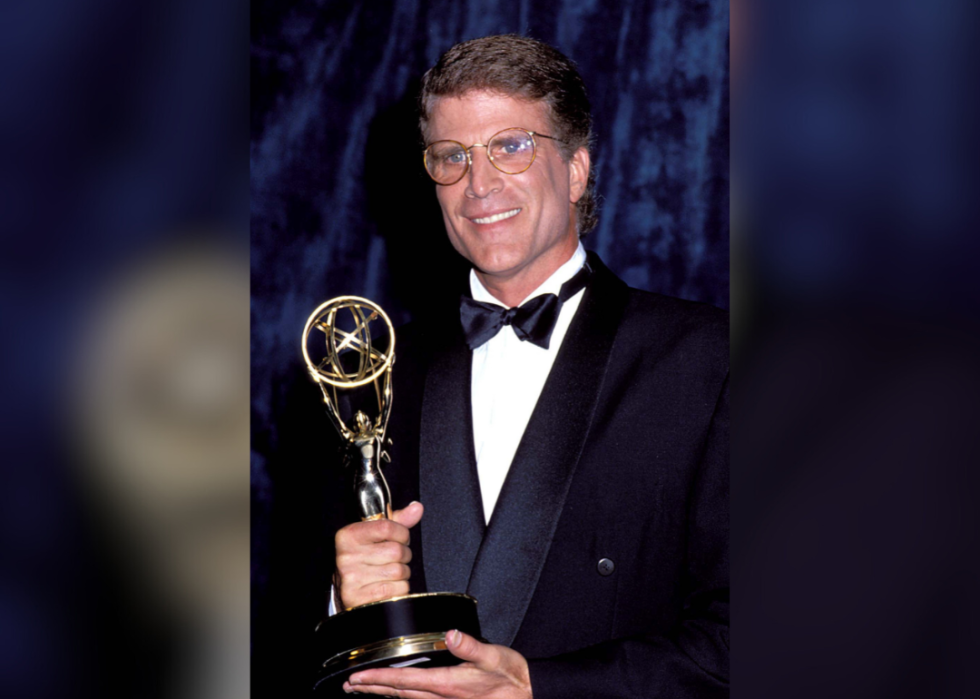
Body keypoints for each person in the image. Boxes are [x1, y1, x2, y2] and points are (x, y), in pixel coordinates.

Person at [331, 34, 728, 699]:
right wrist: (346, 605)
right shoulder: (373, 376)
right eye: (451, 156)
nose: (479, 184)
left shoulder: (707, 359)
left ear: (576, 168)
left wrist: (542, 686)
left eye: (512, 146)